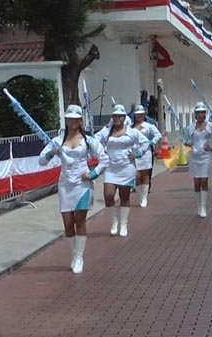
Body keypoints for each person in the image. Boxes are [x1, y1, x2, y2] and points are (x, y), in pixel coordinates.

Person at [39, 105, 107, 274]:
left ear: (80, 121)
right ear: (66, 120)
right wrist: (51, 153)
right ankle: (74, 253)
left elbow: (104, 159)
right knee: (68, 224)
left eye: (76, 119)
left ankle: (79, 257)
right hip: (65, 185)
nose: (73, 121)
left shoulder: (89, 141)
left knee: (80, 221)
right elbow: (41, 161)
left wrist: (92, 174)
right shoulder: (57, 141)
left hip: (82, 185)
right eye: (70, 118)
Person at [100, 105, 148, 236]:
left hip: (127, 167)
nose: (117, 118)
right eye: (114, 116)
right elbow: (94, 142)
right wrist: (101, 154)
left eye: (119, 116)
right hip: (110, 168)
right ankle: (114, 221)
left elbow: (145, 142)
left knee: (124, 196)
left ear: (124, 117)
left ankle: (124, 224)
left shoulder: (131, 132)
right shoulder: (106, 131)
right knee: (108, 195)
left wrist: (138, 153)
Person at [185, 102, 212, 218]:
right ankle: (198, 206)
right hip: (194, 158)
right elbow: (185, 139)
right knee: (197, 183)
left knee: (204, 181)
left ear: (205, 114)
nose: (201, 115)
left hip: (205, 157)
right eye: (198, 113)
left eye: (203, 112)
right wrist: (187, 143)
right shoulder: (190, 128)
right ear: (195, 115)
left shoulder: (211, 126)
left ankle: (203, 207)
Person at [131, 105, 161, 208]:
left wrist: (152, 142)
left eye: (141, 114)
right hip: (134, 153)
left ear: (144, 115)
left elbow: (158, 135)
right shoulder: (130, 127)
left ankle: (144, 197)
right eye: (137, 114)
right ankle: (140, 195)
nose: (139, 116)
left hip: (145, 153)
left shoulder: (148, 126)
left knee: (145, 175)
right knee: (136, 176)